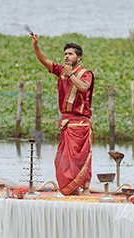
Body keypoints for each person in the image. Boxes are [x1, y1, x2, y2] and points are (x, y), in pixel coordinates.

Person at [30, 32, 94, 195]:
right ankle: (69, 189)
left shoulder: (85, 73)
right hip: (66, 123)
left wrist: (71, 74)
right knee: (62, 160)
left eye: (70, 54)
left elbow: (83, 87)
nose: (66, 56)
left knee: (80, 159)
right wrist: (36, 45)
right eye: (65, 54)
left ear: (78, 58)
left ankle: (84, 188)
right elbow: (44, 60)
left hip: (80, 124)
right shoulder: (61, 71)